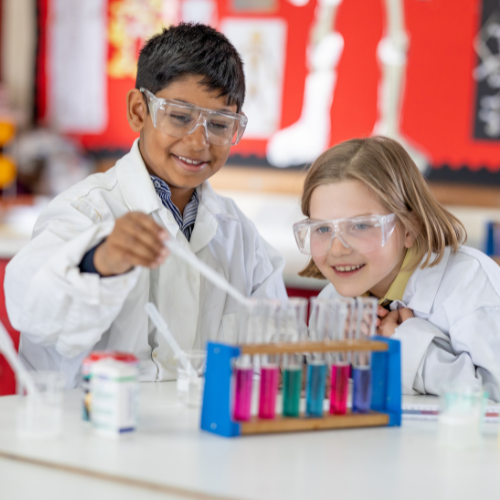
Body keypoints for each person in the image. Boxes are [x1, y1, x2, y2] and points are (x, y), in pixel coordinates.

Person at [5, 23, 287, 388]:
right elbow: (31, 308)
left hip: (199, 438)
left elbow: (279, 346)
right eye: (180, 117)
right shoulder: (84, 211)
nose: (199, 142)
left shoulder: (240, 235)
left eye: (219, 124)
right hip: (84, 437)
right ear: (140, 111)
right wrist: (98, 262)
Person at [293, 136, 500, 400]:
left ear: (409, 228)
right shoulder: (332, 302)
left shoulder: (469, 284)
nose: (337, 249)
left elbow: (494, 399)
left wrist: (409, 349)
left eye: (360, 226)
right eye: (322, 229)